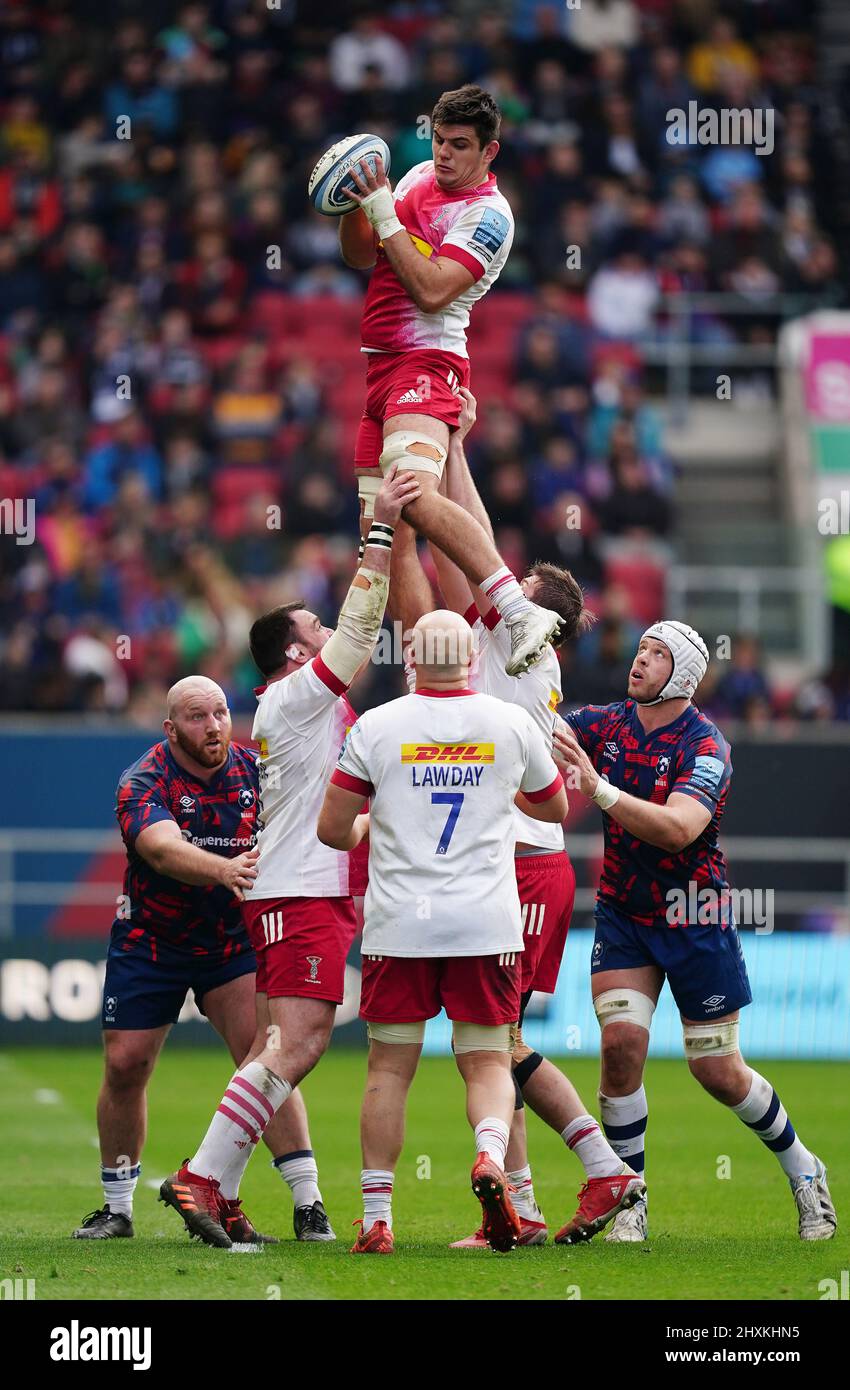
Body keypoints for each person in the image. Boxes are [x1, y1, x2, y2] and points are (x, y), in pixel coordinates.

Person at [159, 465, 420, 1248]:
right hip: (300, 891)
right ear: (293, 651)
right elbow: (360, 633)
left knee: (285, 1046)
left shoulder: (308, 706)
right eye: (314, 628)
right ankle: (201, 1177)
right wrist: (381, 530)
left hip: (305, 886)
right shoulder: (296, 694)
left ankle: (217, 1187)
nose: (327, 634)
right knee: (296, 1046)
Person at [317, 608, 608, 1255]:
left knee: (389, 1068)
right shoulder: (508, 723)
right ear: (473, 662)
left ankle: (376, 1217)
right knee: (485, 1060)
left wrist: (371, 824)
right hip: (487, 921)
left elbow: (332, 830)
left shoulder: (377, 726)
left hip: (401, 926)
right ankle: (489, 1159)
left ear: (412, 659)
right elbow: (556, 808)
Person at [431, 396, 642, 1247]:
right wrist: (456, 440)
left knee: (497, 1043)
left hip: (522, 857)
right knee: (489, 1044)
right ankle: (519, 1209)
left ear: (532, 610)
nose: (494, 586)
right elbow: (474, 533)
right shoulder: (527, 650)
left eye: (510, 589)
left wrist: (442, 450)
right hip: (518, 857)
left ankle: (602, 1172)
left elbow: (463, 543)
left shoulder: (514, 642)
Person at [553, 621, 837, 1243]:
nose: (640, 660)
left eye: (657, 654)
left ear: (681, 674)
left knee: (717, 1070)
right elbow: (539, 726)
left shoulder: (706, 747)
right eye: (640, 649)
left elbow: (678, 829)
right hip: (625, 912)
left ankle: (804, 1168)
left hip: (694, 915)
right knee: (621, 1050)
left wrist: (597, 789)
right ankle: (631, 1200)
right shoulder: (608, 721)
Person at [73, 676, 317, 1244]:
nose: (213, 726)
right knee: (125, 1065)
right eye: (197, 718)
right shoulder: (143, 778)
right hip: (150, 940)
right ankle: (117, 1209)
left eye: (220, 713)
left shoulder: (259, 770)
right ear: (171, 728)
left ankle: (309, 1205)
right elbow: (159, 847)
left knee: (267, 1060)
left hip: (232, 942)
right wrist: (224, 870)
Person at [338, 82, 563, 675]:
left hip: (428, 362)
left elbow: (433, 289)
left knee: (412, 494)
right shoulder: (413, 179)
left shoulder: (488, 216)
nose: (444, 154)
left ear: (489, 153)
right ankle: (423, 671)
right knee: (385, 533)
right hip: (379, 368)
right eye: (438, 140)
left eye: (460, 145)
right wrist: (356, 203)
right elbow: (362, 256)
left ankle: (517, 611)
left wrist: (383, 212)